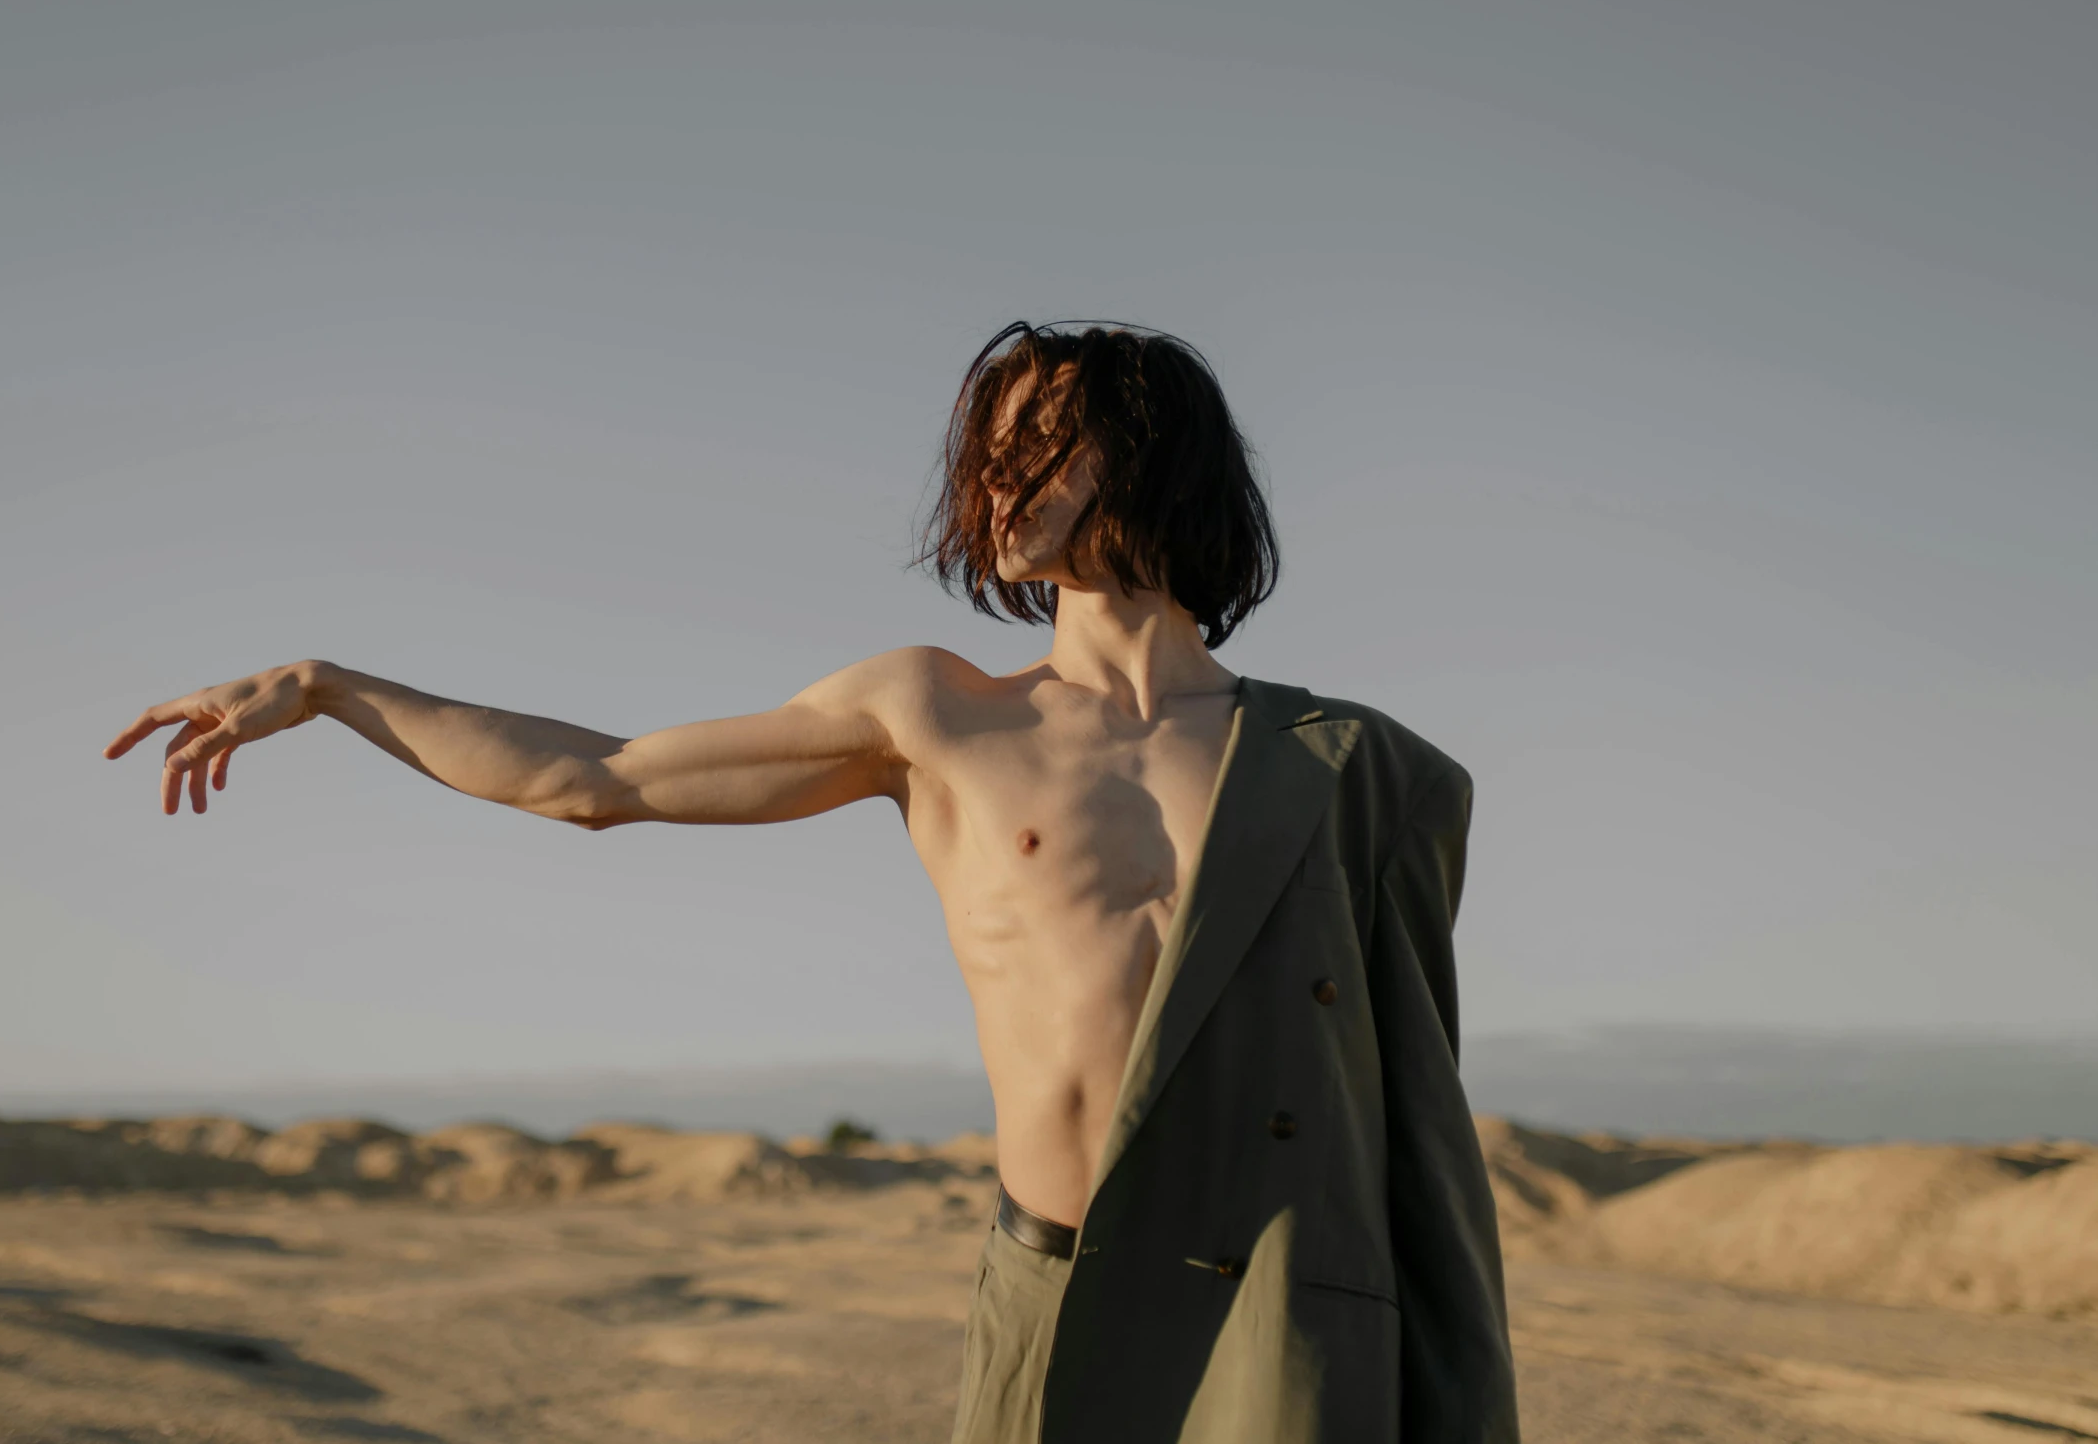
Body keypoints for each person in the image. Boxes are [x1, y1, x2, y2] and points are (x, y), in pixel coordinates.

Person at [104, 321, 1519, 1443]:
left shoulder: (1361, 771)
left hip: (1282, 1316)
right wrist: (331, 686)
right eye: (984, 448)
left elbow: (1419, 1145)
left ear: (1147, 450)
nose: (995, 476)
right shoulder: (940, 715)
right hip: (1061, 1290)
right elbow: (598, 777)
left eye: (1040, 435)